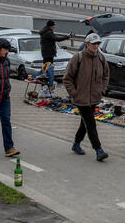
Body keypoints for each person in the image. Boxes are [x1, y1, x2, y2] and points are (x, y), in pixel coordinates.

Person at [63, 32, 110, 162]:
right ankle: (98, 150)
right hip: (81, 98)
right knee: (90, 123)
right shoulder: (77, 58)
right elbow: (67, 79)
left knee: (85, 123)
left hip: (94, 97)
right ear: (87, 44)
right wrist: (74, 93)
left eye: (98, 43)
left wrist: (102, 89)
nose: (96, 46)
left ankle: (76, 144)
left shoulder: (101, 58)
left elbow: (106, 75)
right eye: (93, 44)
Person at [36, 20, 71, 97]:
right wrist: (67, 37)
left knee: (46, 68)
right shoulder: (48, 33)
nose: (54, 27)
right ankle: (48, 84)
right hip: (48, 53)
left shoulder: (45, 31)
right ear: (50, 26)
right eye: (53, 25)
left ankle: (46, 82)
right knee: (48, 69)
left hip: (46, 53)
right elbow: (57, 38)